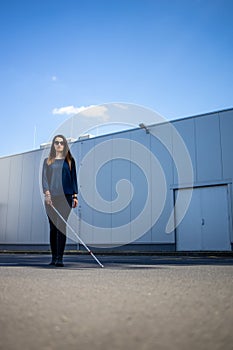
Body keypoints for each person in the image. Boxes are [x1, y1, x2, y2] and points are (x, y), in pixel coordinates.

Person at [42, 135, 78, 267]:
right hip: (51, 197)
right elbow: (44, 179)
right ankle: (53, 257)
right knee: (53, 228)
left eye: (62, 143)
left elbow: (73, 178)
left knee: (61, 227)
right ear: (53, 145)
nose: (59, 145)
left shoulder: (69, 161)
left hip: (66, 197)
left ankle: (60, 258)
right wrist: (47, 193)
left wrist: (75, 196)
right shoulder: (48, 161)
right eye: (56, 142)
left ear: (65, 145)